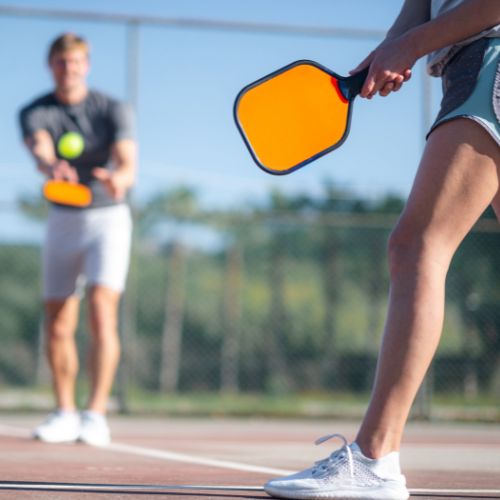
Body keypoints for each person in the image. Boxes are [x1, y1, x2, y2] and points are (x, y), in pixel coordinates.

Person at [264, 1, 499, 499]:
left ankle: (375, 457)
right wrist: (392, 48)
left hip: (491, 60)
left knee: (416, 246)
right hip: (469, 64)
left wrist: (411, 45)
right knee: (417, 246)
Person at [19, 33, 137, 447]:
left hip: (108, 218)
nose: (67, 69)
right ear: (51, 66)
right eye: (60, 62)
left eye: (74, 62)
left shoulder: (113, 108)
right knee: (57, 322)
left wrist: (117, 179)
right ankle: (65, 412)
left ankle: (95, 414)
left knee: (102, 312)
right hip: (63, 219)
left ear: (85, 65)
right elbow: (40, 145)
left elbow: (127, 162)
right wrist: (50, 164)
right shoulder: (35, 111)